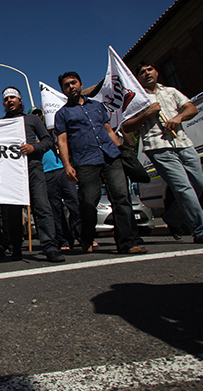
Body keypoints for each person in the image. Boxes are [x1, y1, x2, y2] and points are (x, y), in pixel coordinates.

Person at [123, 62, 203, 244]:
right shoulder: (136, 98)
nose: (147, 73)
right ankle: (202, 230)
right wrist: (146, 113)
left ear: (156, 72)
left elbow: (191, 108)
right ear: (138, 79)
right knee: (183, 187)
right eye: (142, 72)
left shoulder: (171, 91)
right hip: (158, 146)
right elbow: (126, 126)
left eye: (149, 70)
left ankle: (173, 217)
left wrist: (178, 117)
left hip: (183, 143)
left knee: (198, 183)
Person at [54, 71, 147, 255]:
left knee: (121, 198)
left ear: (81, 84)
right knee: (88, 202)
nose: (71, 86)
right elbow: (62, 141)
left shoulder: (97, 106)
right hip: (85, 161)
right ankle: (87, 238)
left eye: (73, 82)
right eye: (66, 85)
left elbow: (109, 131)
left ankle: (126, 243)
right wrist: (67, 165)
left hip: (111, 157)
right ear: (63, 90)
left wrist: (121, 151)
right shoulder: (62, 114)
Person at [0, 87, 64, 262]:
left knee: (42, 207)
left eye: (13, 97)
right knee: (12, 212)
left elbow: (48, 141)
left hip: (33, 167)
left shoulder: (32, 120)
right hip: (11, 173)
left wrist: (33, 148)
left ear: (20, 100)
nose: (10, 101)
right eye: (6, 99)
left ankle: (50, 247)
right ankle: (15, 248)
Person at [29, 107, 81, 250]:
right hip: (45, 174)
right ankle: (64, 240)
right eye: (34, 115)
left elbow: (65, 141)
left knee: (75, 203)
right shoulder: (28, 136)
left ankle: (82, 237)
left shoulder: (51, 132)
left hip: (62, 170)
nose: (38, 116)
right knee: (55, 210)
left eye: (39, 114)